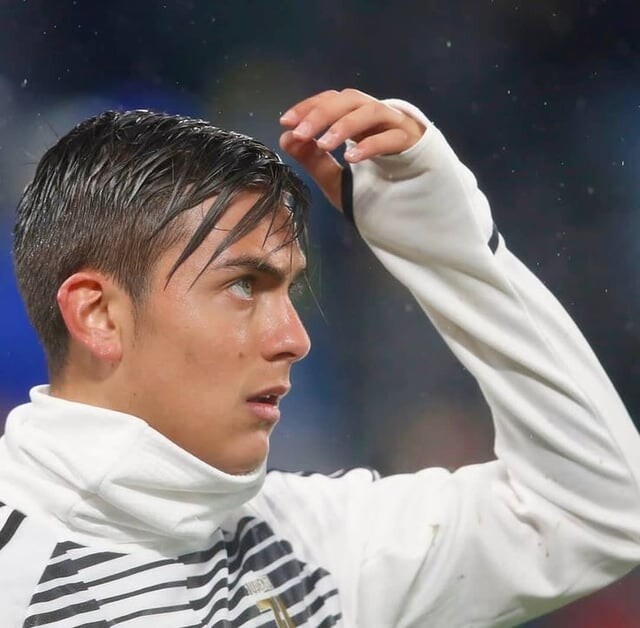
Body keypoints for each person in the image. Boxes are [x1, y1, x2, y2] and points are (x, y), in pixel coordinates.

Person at [0, 88, 638, 628]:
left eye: (290, 290)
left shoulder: (304, 542)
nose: (295, 338)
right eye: (243, 285)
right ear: (98, 314)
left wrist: (446, 242)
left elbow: (596, 511)